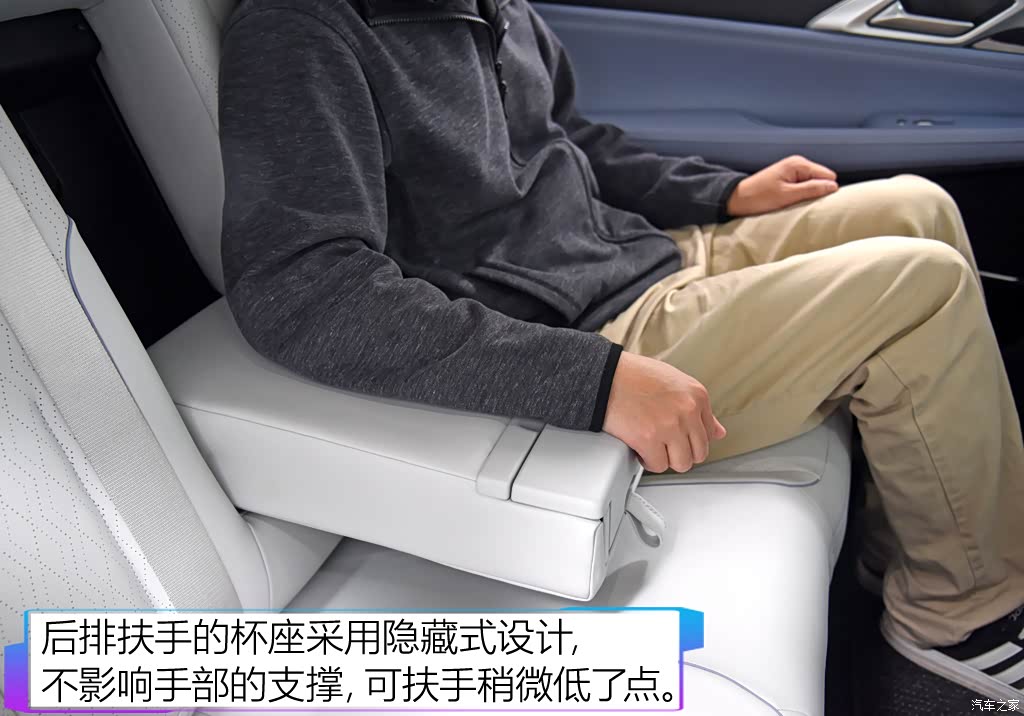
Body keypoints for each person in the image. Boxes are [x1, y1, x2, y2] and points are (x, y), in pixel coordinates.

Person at [218, 0, 1024, 700]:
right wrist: (592, 382)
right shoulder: (301, 32)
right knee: (923, 286)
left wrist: (721, 192)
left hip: (632, 251)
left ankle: (914, 545)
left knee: (918, 206)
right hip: (583, 332)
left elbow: (570, 141)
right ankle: (957, 617)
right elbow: (301, 286)